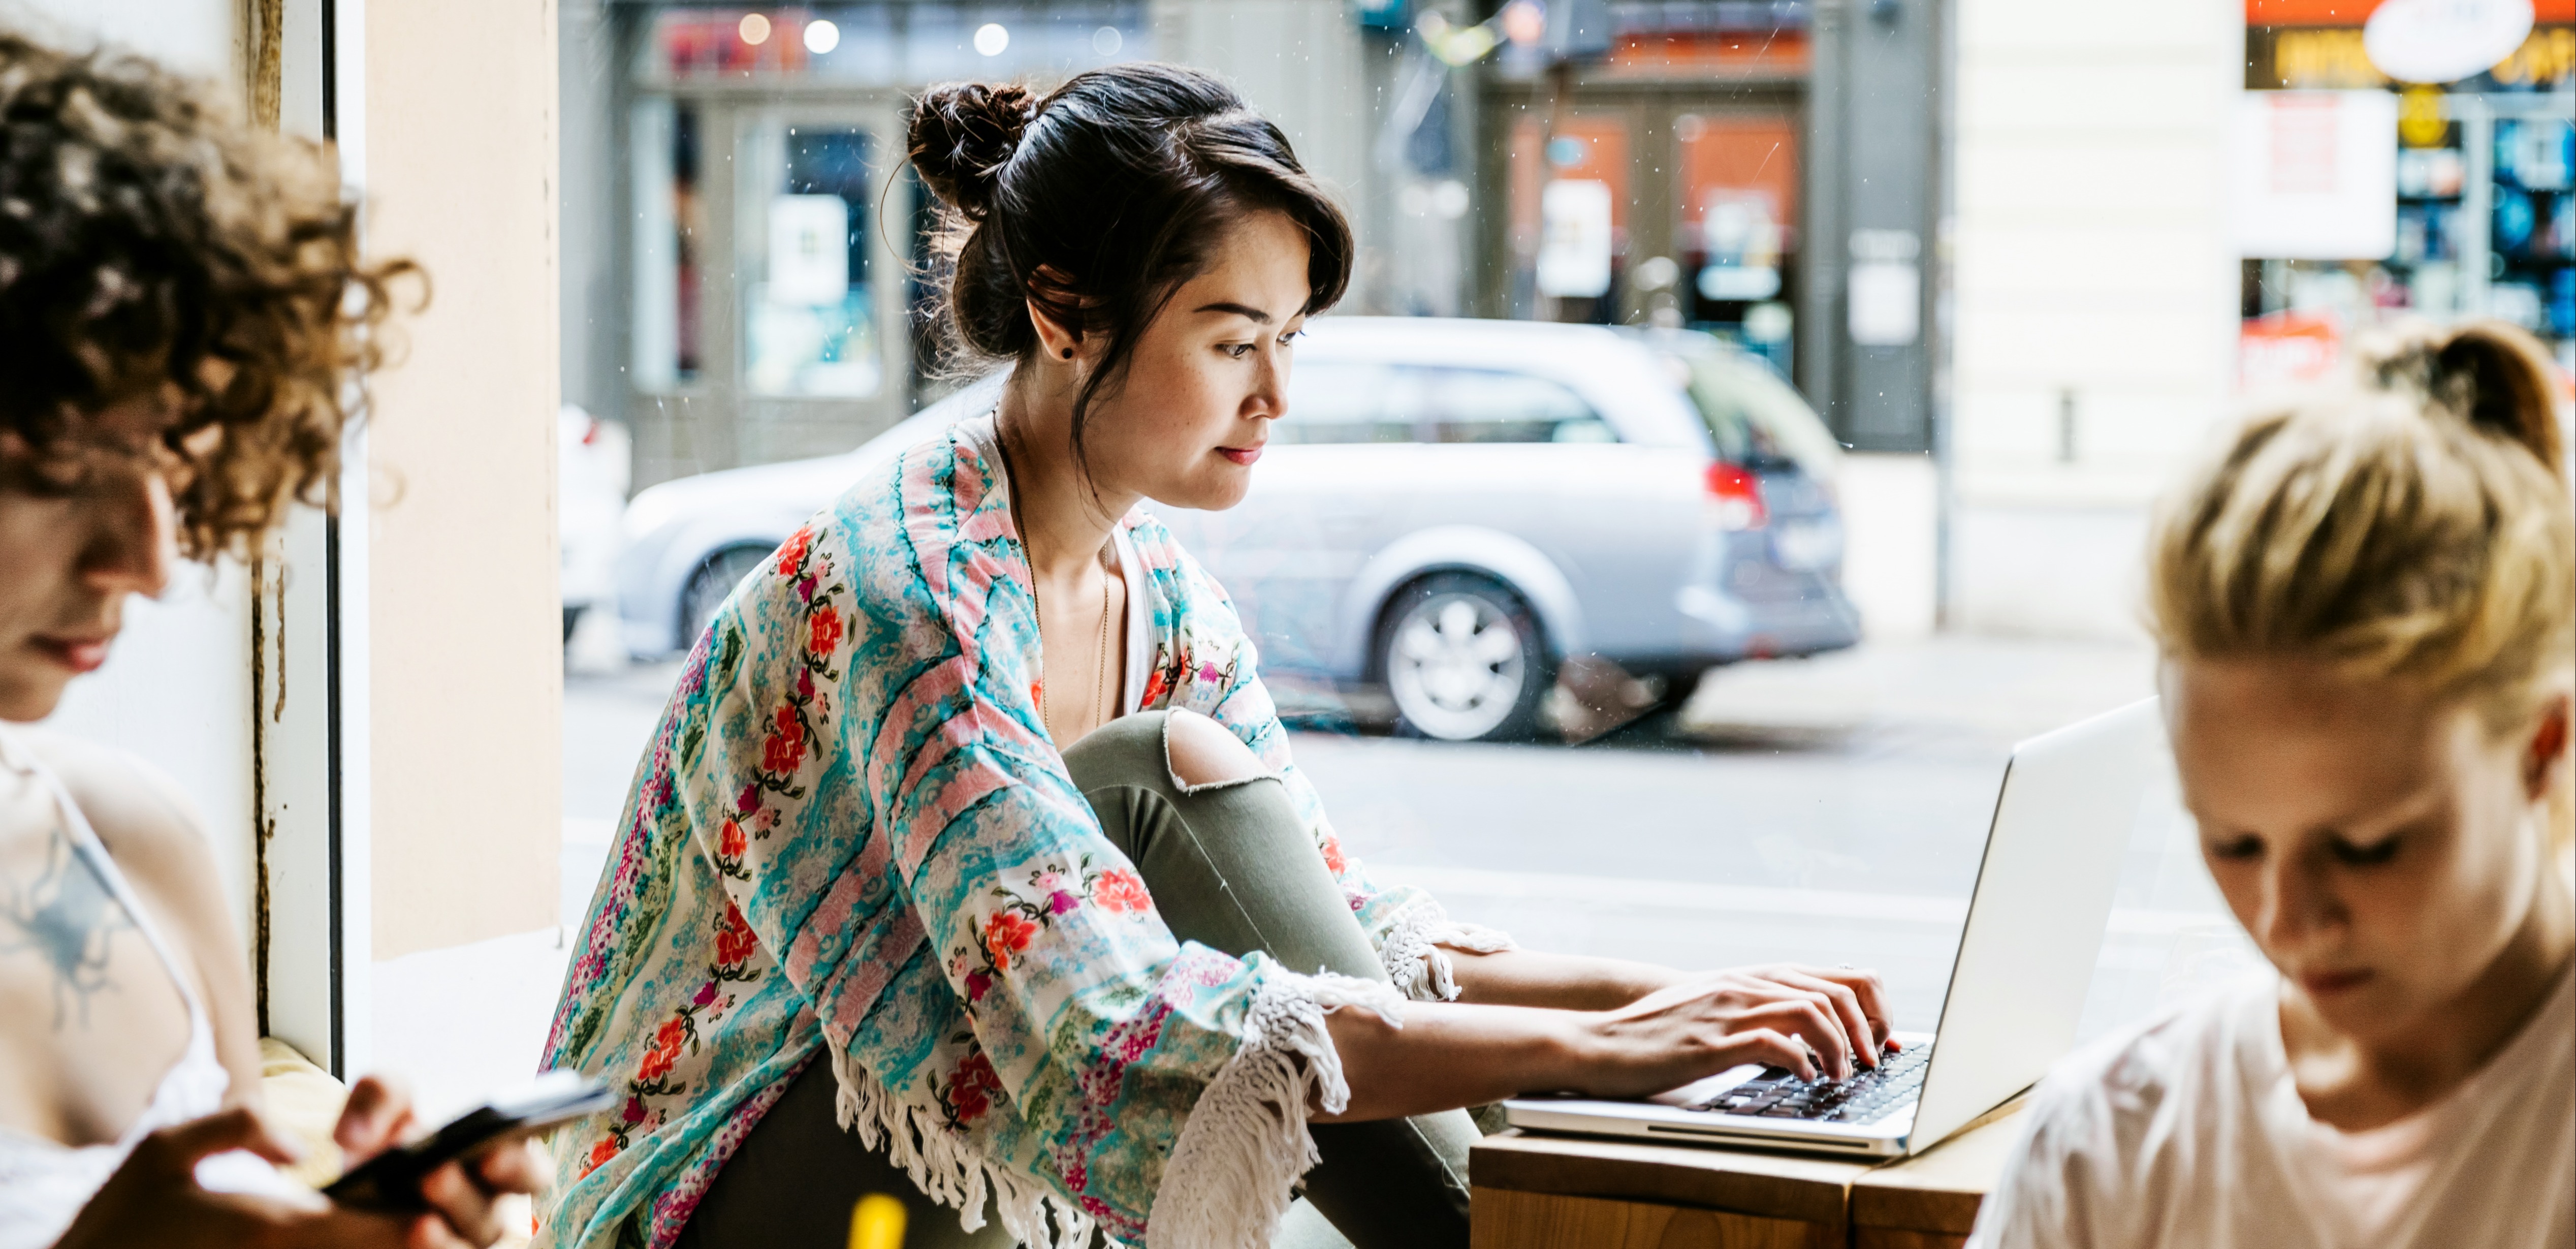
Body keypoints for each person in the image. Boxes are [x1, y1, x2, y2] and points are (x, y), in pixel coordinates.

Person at [541, 64, 1897, 1249]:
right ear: (1067, 314)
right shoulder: (914, 593)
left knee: (1176, 789)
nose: (1279, 395)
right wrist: (1606, 1052)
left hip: (941, 1157)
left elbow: (1327, 929)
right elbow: (1096, 1022)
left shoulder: (1162, 596)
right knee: (1158, 778)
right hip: (715, 1184)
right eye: (1235, 340)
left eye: (1290, 340)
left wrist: (1668, 996)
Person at [0, 4, 547, 1245]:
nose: (149, 559)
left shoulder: (135, 840)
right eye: (56, 462)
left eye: (171, 450)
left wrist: (351, 1222)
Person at [1967, 321, 2574, 1248]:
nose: (2288, 923)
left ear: (2541, 744)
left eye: (2367, 846)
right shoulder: (2111, 1145)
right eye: (2232, 841)